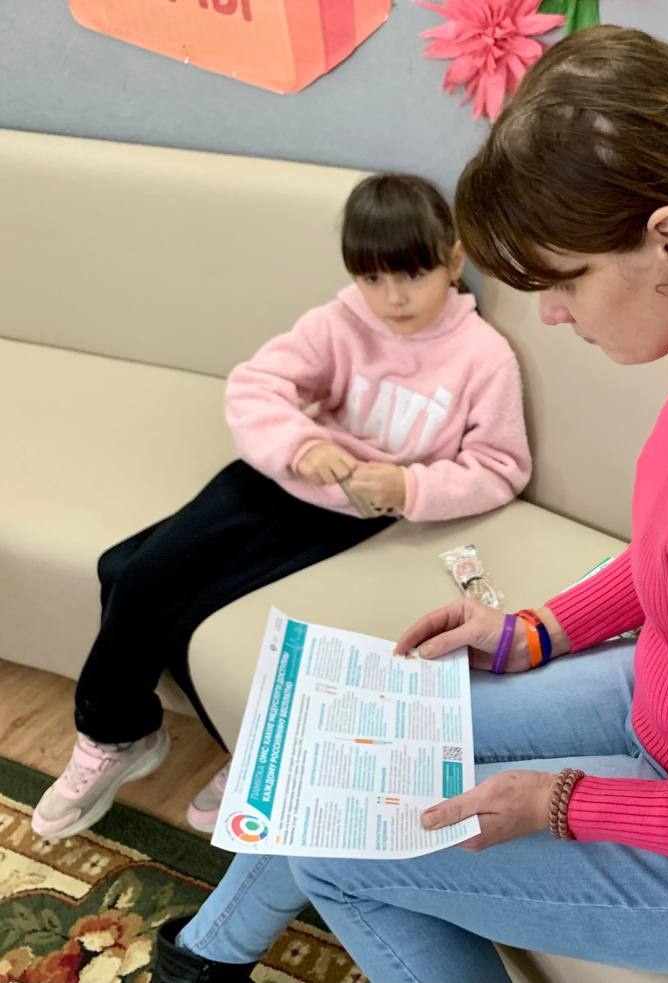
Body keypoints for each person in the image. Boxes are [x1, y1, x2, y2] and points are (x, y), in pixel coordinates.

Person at [150, 25, 668, 983]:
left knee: (338, 847)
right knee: (335, 754)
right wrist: (538, 630)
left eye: (564, 280)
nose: (553, 314)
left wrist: (562, 803)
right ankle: (202, 960)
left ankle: (199, 963)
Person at [34, 173, 531, 842]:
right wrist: (301, 444)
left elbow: (501, 468)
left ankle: (241, 756)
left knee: (181, 604)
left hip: (351, 513)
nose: (392, 298)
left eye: (412, 275)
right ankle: (117, 735)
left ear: (454, 257)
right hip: (271, 476)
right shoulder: (341, 321)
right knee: (128, 569)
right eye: (372, 278)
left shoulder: (484, 357)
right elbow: (255, 385)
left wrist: (410, 488)